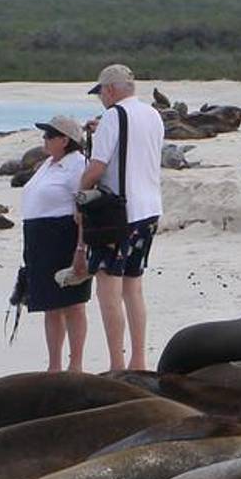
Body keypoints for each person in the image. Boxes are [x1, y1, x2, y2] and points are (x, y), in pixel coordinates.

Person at [79, 64, 164, 371]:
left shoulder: (114, 116)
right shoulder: (152, 114)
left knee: (108, 287)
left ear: (110, 90)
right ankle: (138, 359)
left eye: (101, 92)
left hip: (118, 213)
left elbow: (98, 166)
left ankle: (117, 362)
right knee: (134, 285)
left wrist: (80, 190)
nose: (101, 98)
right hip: (150, 208)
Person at [20, 115, 91, 372]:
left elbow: (84, 208)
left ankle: (76, 363)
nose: (44, 140)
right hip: (38, 237)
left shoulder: (77, 166)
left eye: (49, 136)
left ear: (65, 140)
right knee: (50, 304)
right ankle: (54, 364)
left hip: (62, 234)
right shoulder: (49, 164)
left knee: (72, 302)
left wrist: (81, 248)